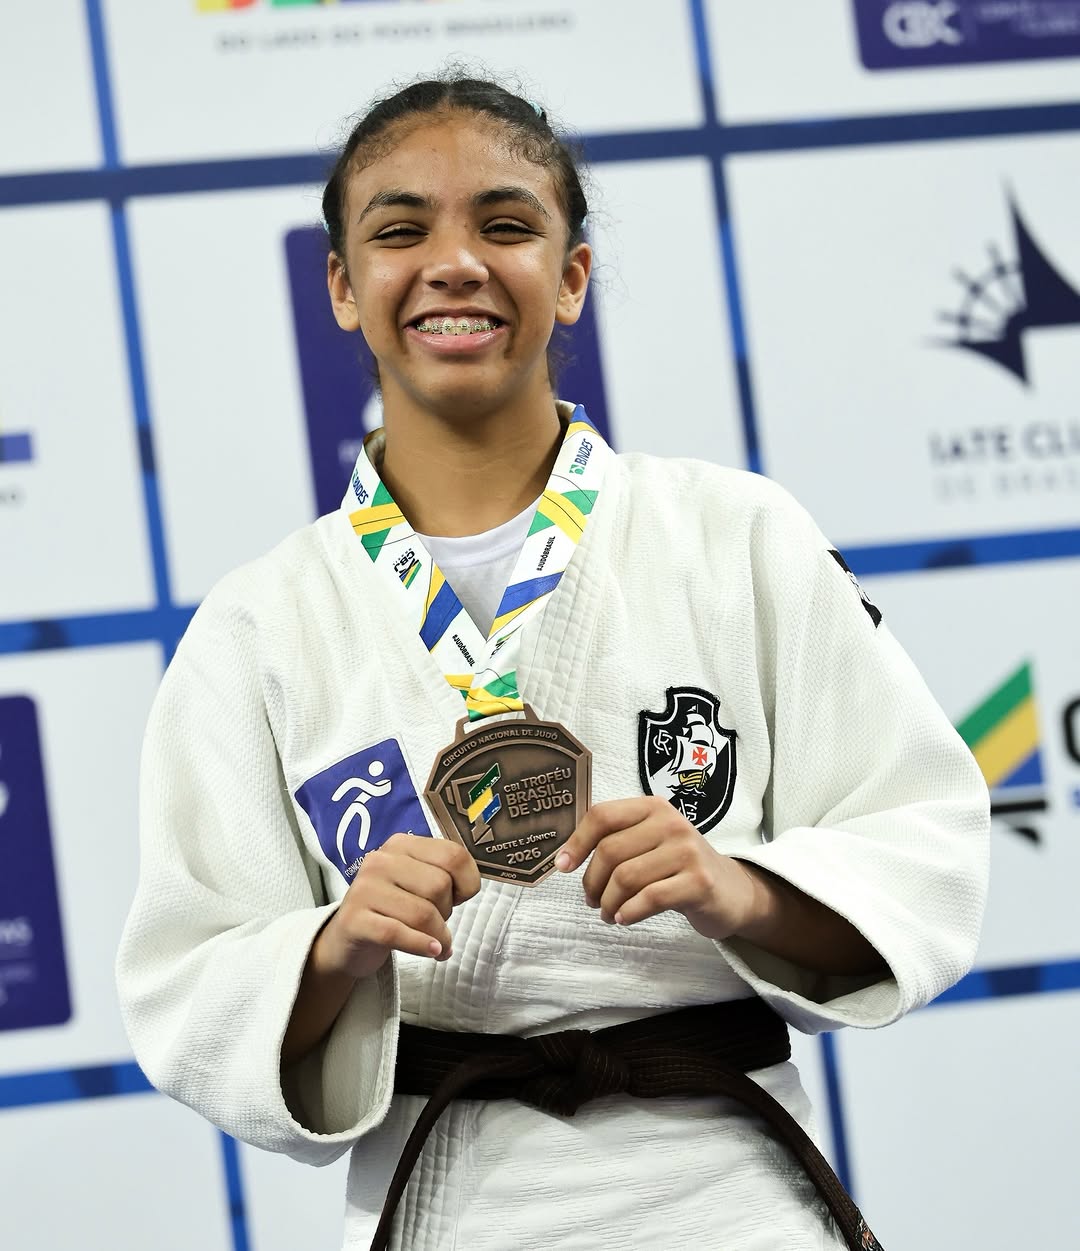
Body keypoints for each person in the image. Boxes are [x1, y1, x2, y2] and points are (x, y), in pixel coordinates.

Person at [116, 73, 990, 1251]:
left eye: (506, 225)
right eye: (400, 231)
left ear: (571, 275)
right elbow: (189, 980)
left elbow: (921, 841)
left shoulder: (735, 537)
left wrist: (740, 889)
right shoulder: (258, 626)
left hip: (732, 1198)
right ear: (342, 287)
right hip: (448, 1203)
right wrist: (335, 945)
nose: (454, 263)